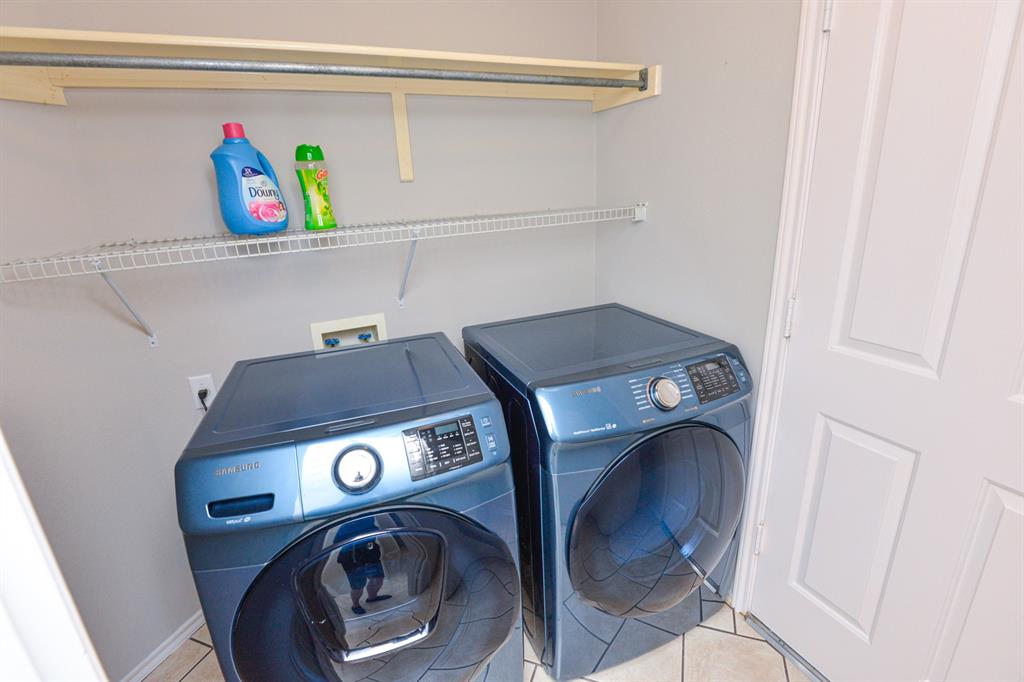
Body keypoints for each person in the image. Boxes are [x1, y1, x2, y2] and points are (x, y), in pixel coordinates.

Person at [337, 535, 392, 615]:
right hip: (350, 555)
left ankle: (372, 597)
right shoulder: (344, 529)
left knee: (378, 577)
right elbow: (337, 541)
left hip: (369, 549)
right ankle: (355, 605)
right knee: (358, 585)